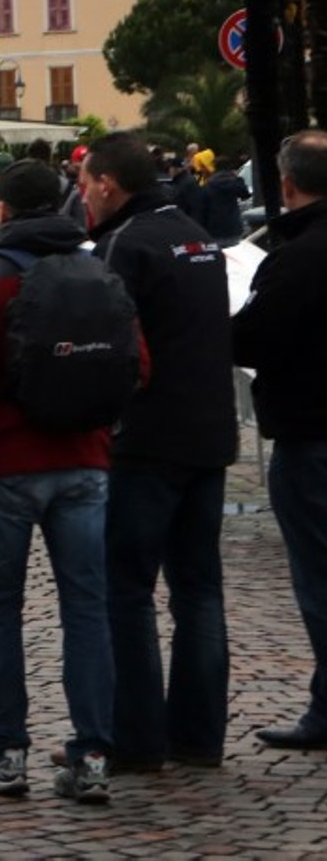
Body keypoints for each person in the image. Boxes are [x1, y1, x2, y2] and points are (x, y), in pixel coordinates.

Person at [0, 159, 118, 805]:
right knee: (88, 612)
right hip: (84, 461)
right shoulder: (98, 268)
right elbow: (134, 364)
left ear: (1, 210)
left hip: (7, 467)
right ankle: (92, 755)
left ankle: (6, 755)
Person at [79, 132, 234, 770]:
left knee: (129, 590)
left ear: (109, 185)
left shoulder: (125, 245)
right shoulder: (197, 235)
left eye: (86, 184)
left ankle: (136, 740)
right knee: (199, 589)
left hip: (147, 439)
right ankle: (199, 737)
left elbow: (109, 348)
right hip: (210, 430)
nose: (82, 196)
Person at [233, 129, 327, 749]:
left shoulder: (296, 257)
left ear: (287, 186)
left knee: (319, 578)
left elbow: (249, 341)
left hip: (312, 433)